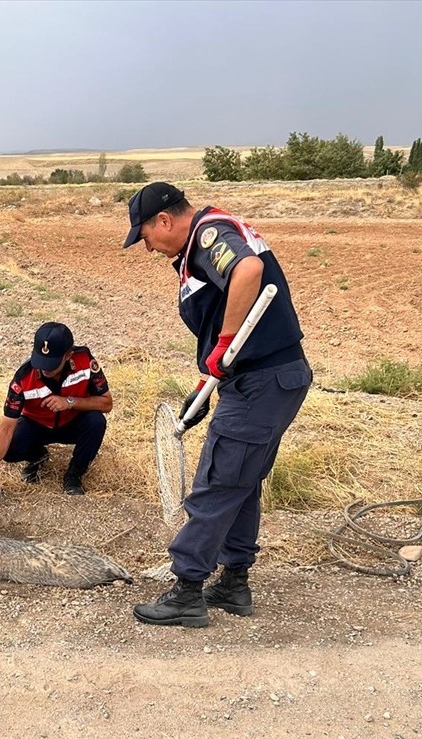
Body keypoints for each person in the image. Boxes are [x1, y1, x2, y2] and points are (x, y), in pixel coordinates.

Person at [123, 182, 312, 628]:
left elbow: (247, 273)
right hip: (267, 379)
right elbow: (226, 322)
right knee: (241, 482)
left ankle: (187, 589)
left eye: (146, 236)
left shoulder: (209, 235)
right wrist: (209, 377)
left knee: (217, 481)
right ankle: (234, 582)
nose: (148, 248)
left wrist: (225, 346)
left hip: (262, 382)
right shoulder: (202, 244)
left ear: (164, 220)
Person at [0, 321, 113, 495]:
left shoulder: (85, 361)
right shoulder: (22, 378)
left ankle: (74, 474)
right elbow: (5, 428)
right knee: (11, 448)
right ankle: (38, 456)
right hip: (37, 425)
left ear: (68, 355)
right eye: (40, 360)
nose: (44, 368)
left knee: (96, 422)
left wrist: (70, 401)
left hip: (72, 422)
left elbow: (107, 403)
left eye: (51, 363)